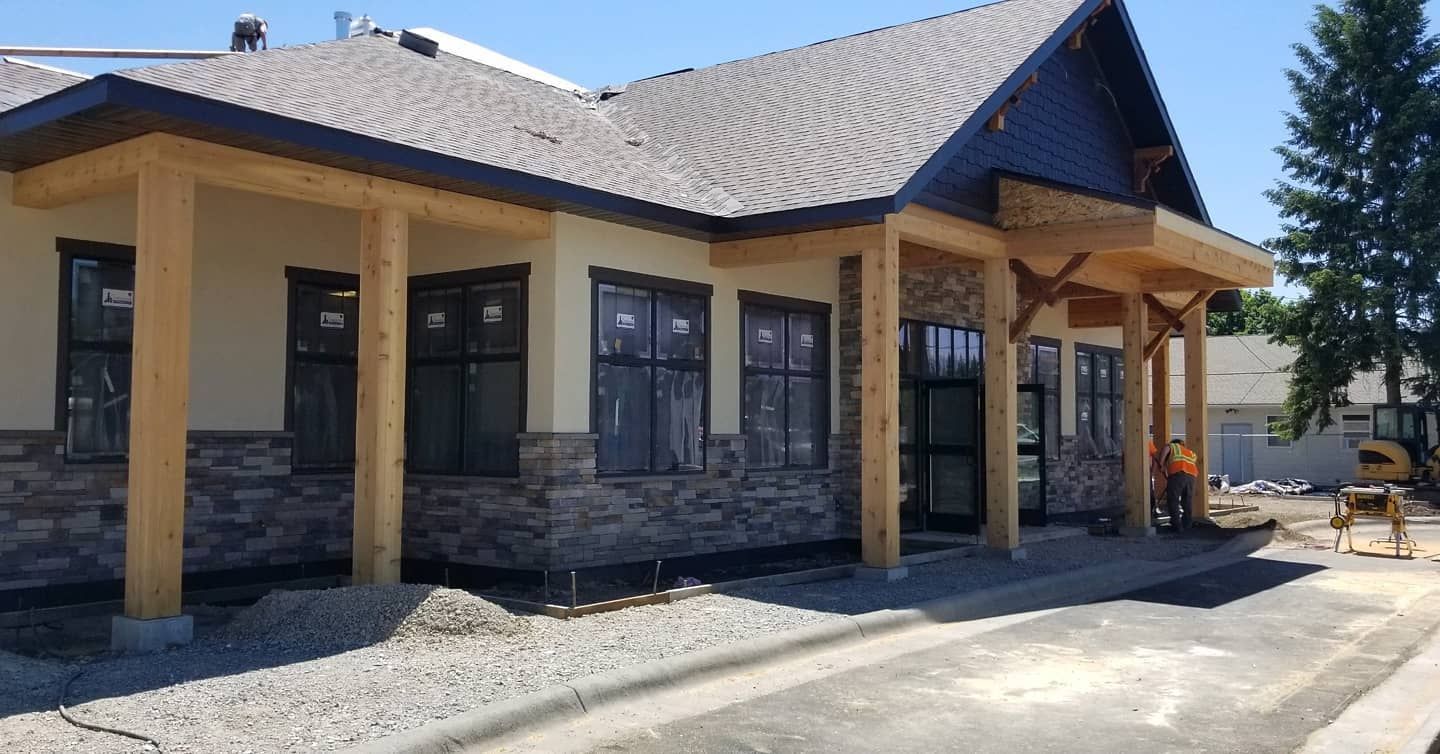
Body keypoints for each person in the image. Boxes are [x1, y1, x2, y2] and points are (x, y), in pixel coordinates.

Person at [1155, 438, 1199, 532]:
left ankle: (1176, 525)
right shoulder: (1190, 453)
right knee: (1187, 500)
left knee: (1173, 499)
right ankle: (1187, 524)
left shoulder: (1173, 446)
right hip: (1191, 476)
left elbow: (1166, 448)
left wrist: (1161, 463)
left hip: (1178, 473)